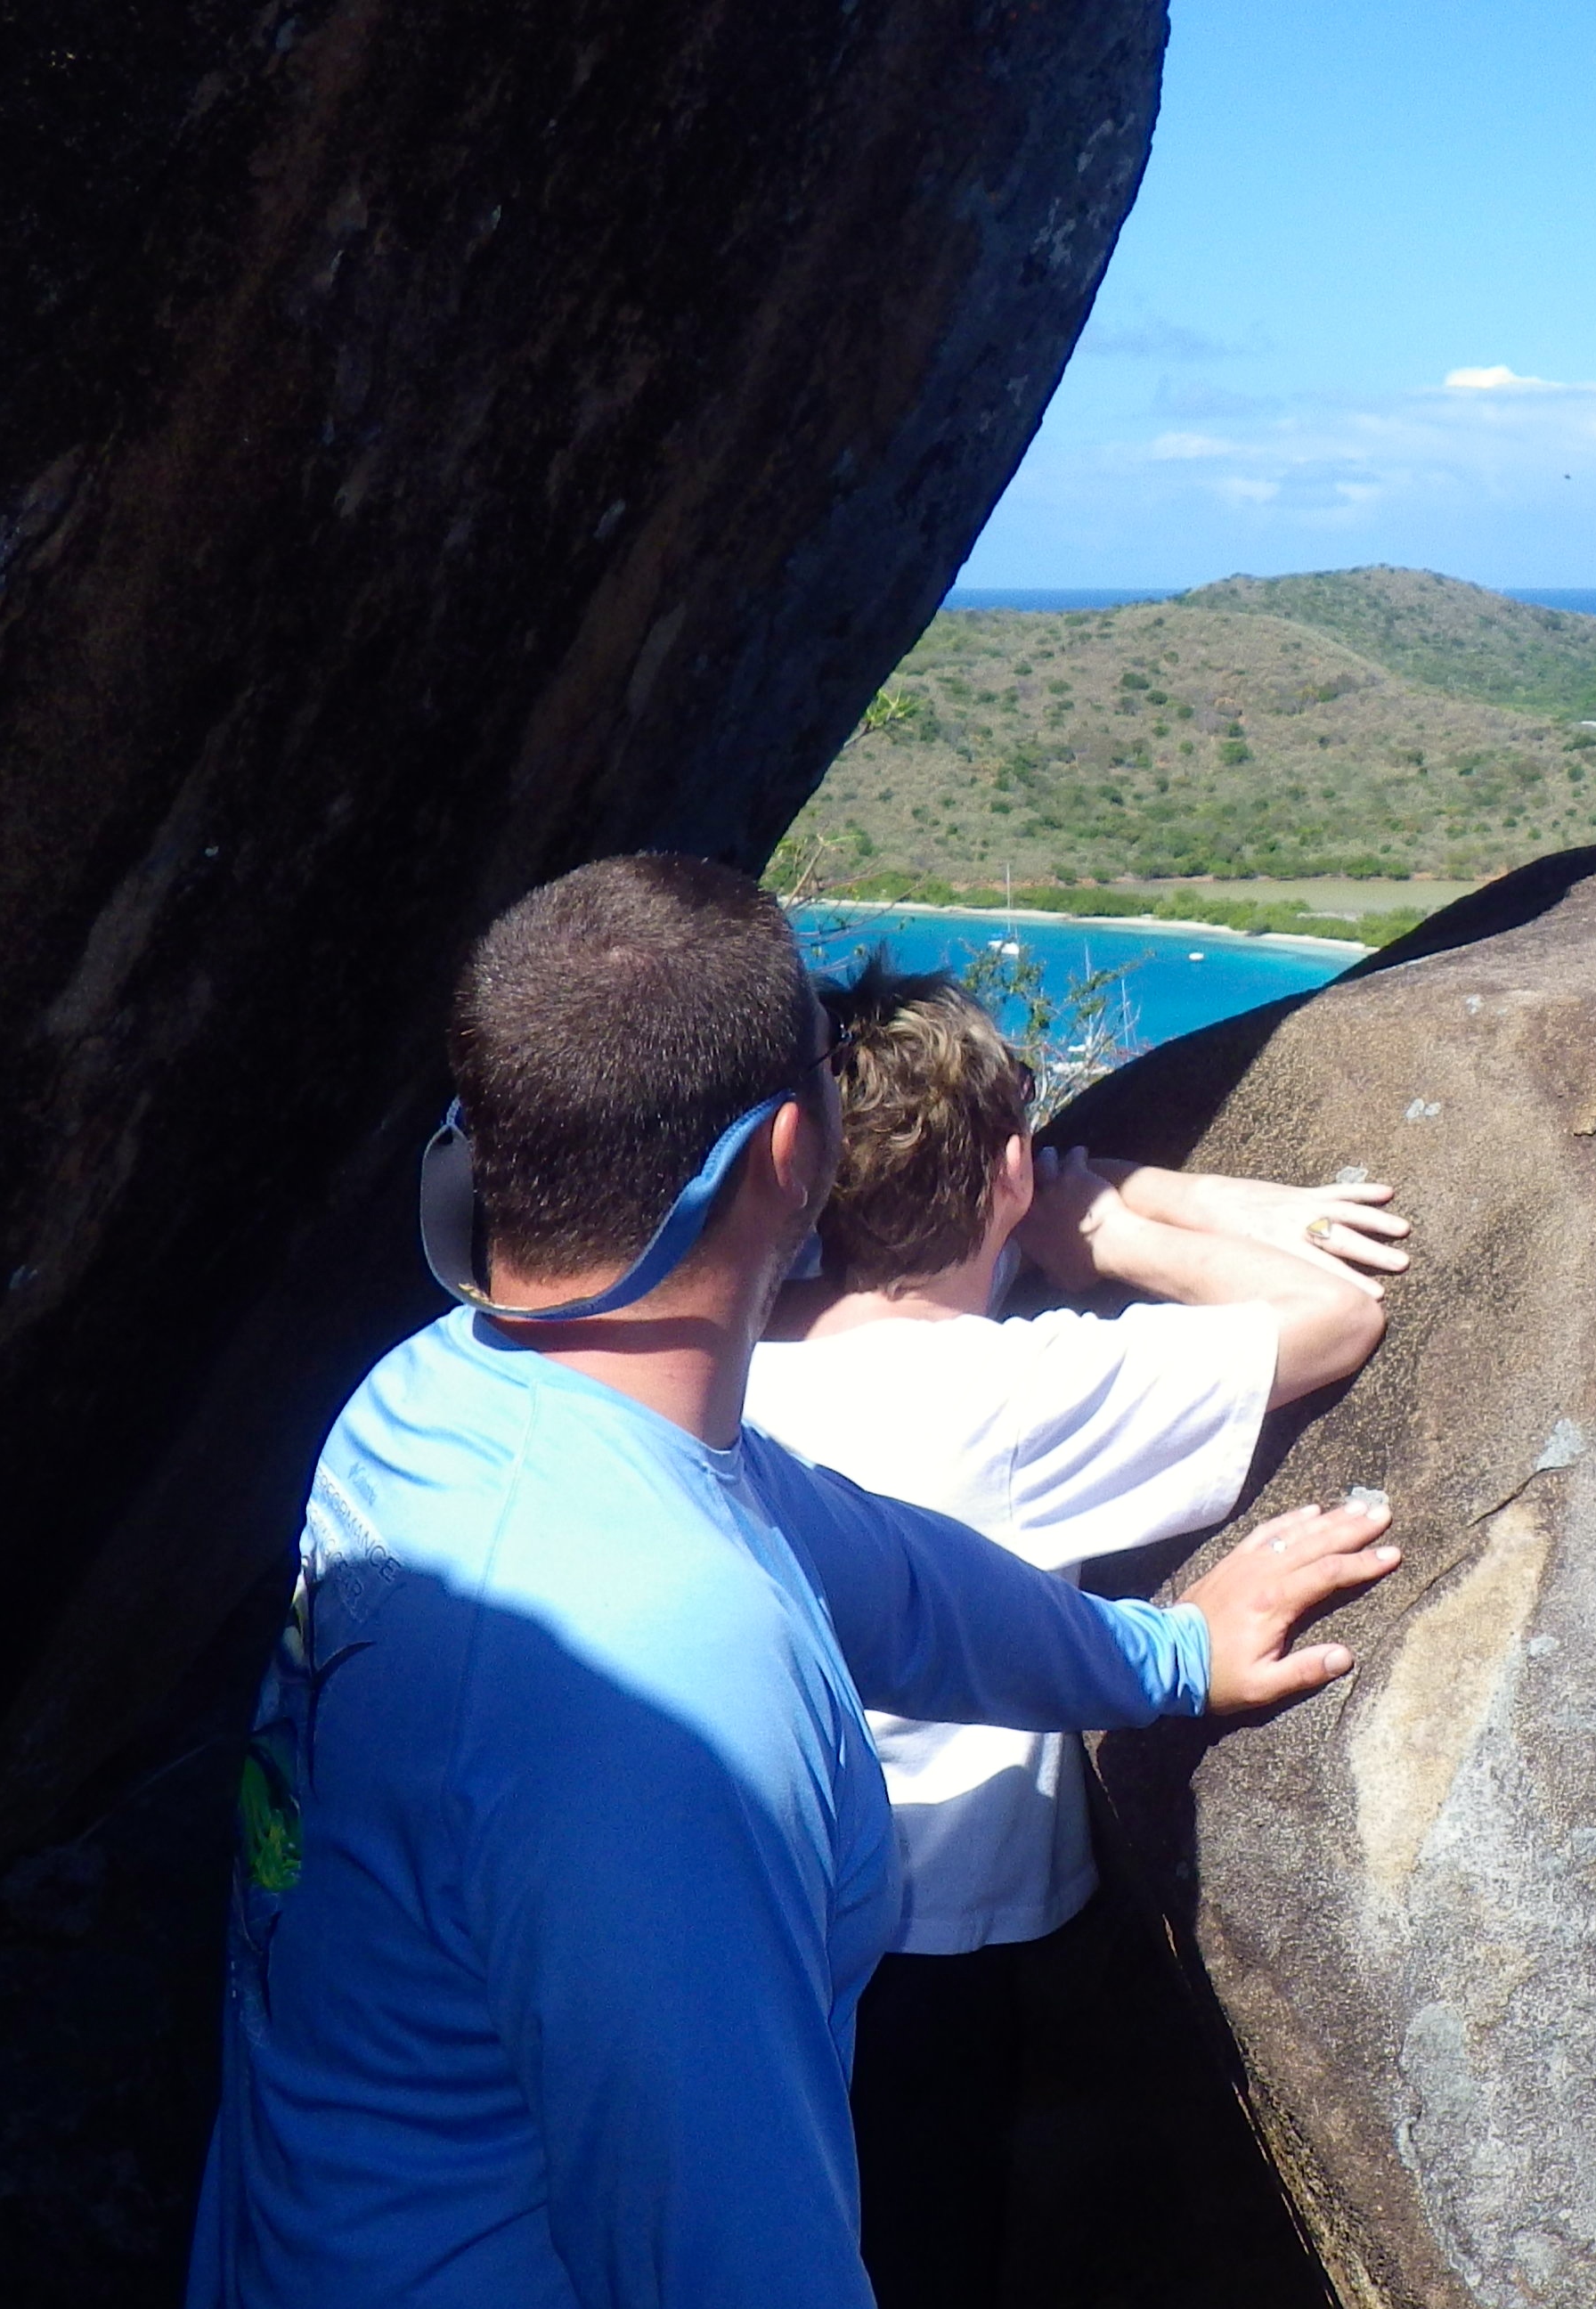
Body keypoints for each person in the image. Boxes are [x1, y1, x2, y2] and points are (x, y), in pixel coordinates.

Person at [183, 856, 1397, 2309]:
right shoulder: (666, 1696)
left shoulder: (437, 1397)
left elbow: (881, 1569)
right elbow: (728, 2260)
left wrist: (1169, 1655)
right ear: (785, 1152)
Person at [742, 956, 1408, 2309]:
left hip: (759, 1915)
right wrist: (1102, 1226)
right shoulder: (1012, 1395)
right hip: (933, 1952)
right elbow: (1338, 1314)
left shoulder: (736, 1353)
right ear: (1006, 1171)